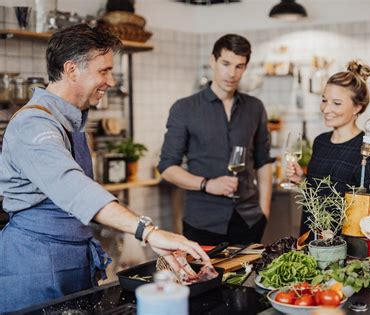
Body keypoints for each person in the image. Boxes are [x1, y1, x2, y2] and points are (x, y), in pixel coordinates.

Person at [0, 24, 209, 313]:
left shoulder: (71, 122)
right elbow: (74, 189)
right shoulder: (33, 125)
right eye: (104, 71)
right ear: (71, 69)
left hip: (72, 258)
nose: (110, 81)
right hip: (36, 265)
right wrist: (148, 232)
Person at [158, 34, 273, 246]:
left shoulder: (255, 107)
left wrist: (264, 210)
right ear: (213, 61)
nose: (232, 73)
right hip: (202, 222)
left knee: (246, 279)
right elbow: (166, 167)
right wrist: (206, 184)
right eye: (226, 64)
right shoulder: (185, 108)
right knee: (205, 279)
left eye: (239, 66)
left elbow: (263, 161)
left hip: (249, 220)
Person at [286, 60, 370, 236]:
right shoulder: (320, 142)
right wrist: (302, 179)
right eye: (324, 100)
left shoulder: (369, 149)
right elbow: (318, 192)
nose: (326, 108)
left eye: (336, 103)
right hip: (310, 237)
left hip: (345, 246)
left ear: (357, 107)